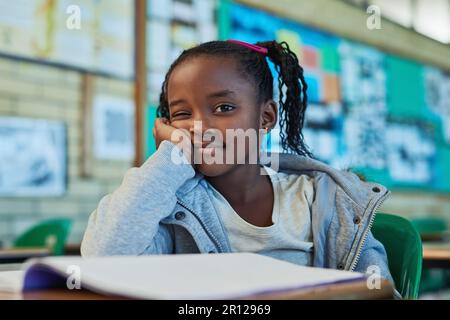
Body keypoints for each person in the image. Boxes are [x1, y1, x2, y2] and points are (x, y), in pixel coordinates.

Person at [81, 40, 393, 286]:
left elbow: (378, 291)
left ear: (265, 117)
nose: (199, 127)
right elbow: (104, 257)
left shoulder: (328, 200)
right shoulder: (169, 205)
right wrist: (171, 157)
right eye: (182, 114)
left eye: (224, 107)